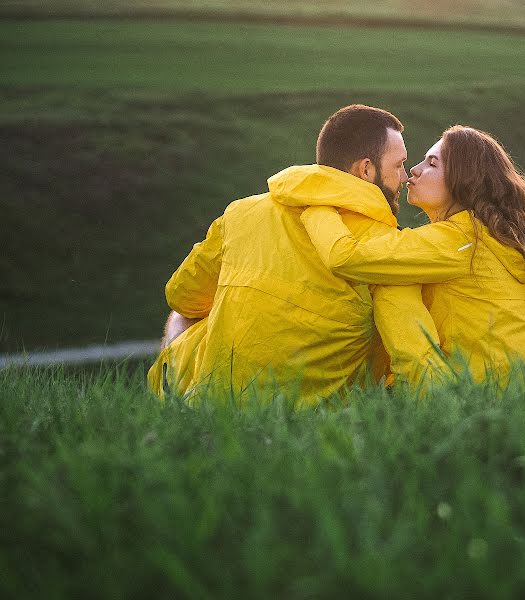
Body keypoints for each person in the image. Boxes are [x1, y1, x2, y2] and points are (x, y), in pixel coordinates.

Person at [147, 104, 431, 406]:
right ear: (365, 169)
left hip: (220, 404)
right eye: (399, 165)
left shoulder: (242, 212)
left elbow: (182, 297)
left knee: (184, 314)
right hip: (320, 417)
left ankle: (175, 402)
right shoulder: (380, 245)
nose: (404, 177)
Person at [301, 125, 525, 388]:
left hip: (496, 401)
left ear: (463, 180)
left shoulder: (462, 240)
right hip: (524, 399)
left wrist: (317, 203)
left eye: (432, 164)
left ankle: (417, 391)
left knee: (391, 282)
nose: (414, 170)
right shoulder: (488, 238)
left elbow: (345, 256)